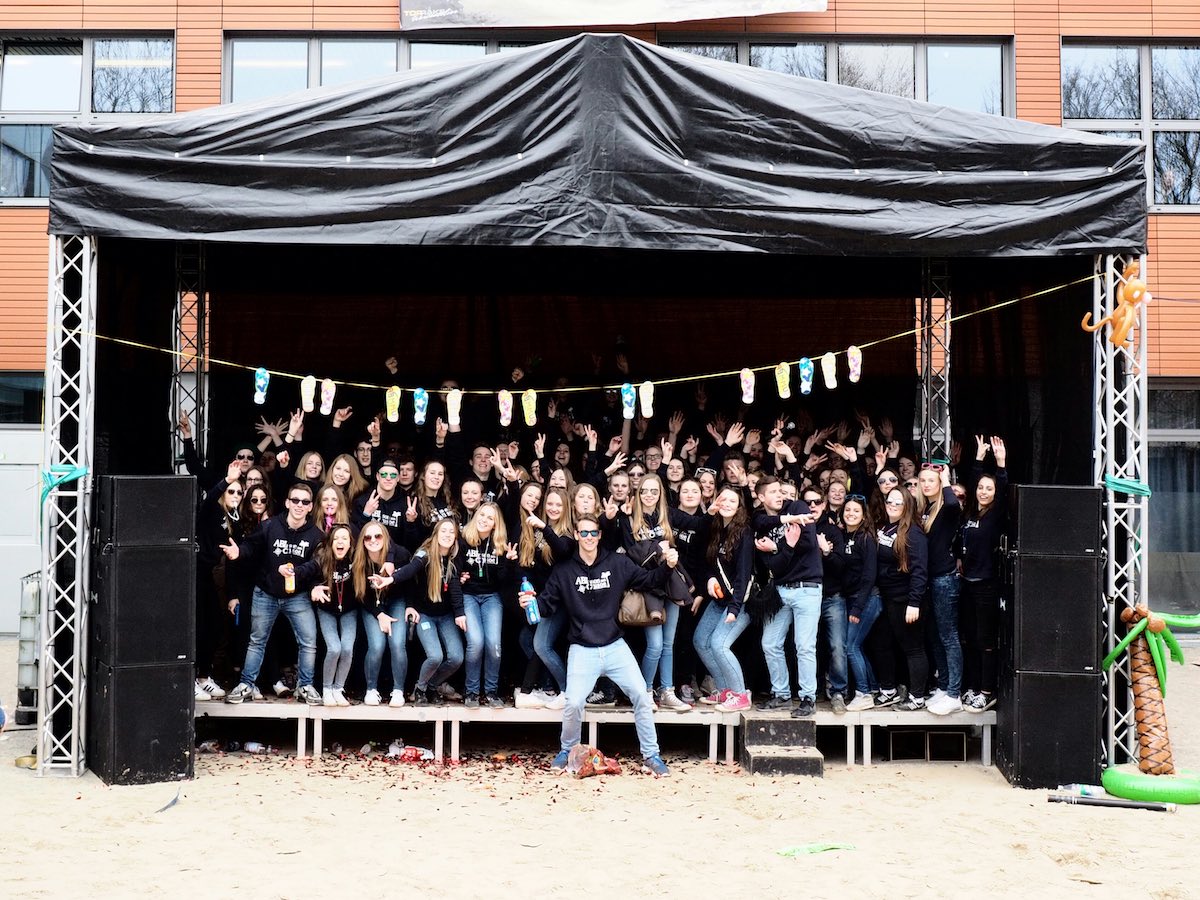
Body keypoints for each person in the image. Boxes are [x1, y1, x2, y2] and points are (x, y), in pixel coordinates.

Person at [529, 514, 679, 777]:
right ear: (576, 535)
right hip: (582, 648)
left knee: (642, 696)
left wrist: (667, 566)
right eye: (583, 533)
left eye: (593, 533)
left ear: (599, 535)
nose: (588, 538)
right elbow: (545, 605)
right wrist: (528, 603)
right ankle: (567, 750)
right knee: (574, 703)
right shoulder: (564, 570)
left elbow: (649, 580)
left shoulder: (617, 563)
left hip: (614, 645)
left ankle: (651, 756)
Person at [221, 482, 325, 705]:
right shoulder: (270, 525)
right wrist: (238, 552)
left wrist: (294, 572)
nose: (299, 505)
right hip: (266, 593)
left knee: (309, 642)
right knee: (257, 641)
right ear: (287, 502)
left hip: (297, 596)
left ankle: (305, 686)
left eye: (304, 502)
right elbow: (251, 547)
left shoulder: (316, 534)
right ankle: (246, 684)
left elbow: (318, 564)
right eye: (295, 500)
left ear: (310, 507)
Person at [755, 476, 822, 718]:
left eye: (781, 490)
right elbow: (775, 566)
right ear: (761, 497)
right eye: (773, 491)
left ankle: (808, 698)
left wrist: (777, 546)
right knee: (770, 643)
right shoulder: (762, 522)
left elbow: (808, 542)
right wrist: (786, 546)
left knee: (804, 646)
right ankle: (781, 694)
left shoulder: (798, 508)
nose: (780, 495)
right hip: (781, 589)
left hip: (808, 587)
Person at [695, 486, 755, 712]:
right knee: (701, 640)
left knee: (719, 645)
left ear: (739, 506)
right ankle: (725, 690)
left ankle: (740, 694)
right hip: (720, 598)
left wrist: (735, 608)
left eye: (732, 501)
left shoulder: (744, 532)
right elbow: (706, 559)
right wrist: (710, 578)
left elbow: (744, 575)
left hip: (740, 601)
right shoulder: (717, 527)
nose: (727, 504)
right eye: (723, 499)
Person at [959, 436, 1008, 713]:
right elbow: (972, 478)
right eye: (980, 487)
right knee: (970, 638)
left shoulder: (995, 514)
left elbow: (1001, 489)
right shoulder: (970, 512)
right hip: (967, 583)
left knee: (986, 640)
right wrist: (977, 458)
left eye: (988, 489)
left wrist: (1000, 463)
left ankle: (987, 691)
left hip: (986, 586)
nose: (983, 491)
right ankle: (974, 687)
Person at [872, 487, 929, 710]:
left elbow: (920, 570)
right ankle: (888, 690)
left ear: (907, 506)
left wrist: (914, 603)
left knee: (913, 648)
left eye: (898, 503)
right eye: (890, 501)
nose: (893, 505)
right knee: (881, 643)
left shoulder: (914, 532)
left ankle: (917, 697)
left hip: (906, 600)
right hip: (886, 598)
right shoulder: (886, 527)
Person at [457, 501, 516, 708]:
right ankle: (472, 692)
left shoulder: (500, 544)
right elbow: (454, 570)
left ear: (495, 524)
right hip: (469, 596)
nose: (484, 520)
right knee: (476, 642)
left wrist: (508, 562)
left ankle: (491, 691)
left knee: (493, 644)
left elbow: (502, 580)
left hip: (492, 597)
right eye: (482, 515)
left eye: (490, 518)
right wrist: (460, 578)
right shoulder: (463, 540)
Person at [402, 519, 467, 706]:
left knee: (456, 657)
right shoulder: (425, 554)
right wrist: (392, 579)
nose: (447, 535)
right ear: (436, 534)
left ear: (455, 537)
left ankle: (432, 686)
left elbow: (454, 587)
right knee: (435, 656)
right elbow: (410, 572)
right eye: (443, 531)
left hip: (445, 615)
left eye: (451, 532)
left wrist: (460, 613)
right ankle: (419, 688)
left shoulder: (454, 558)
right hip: (425, 614)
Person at [919, 461, 963, 715]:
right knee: (936, 636)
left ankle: (954, 693)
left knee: (949, 636)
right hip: (931, 579)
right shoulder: (927, 508)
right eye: (923, 480)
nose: (926, 485)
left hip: (945, 578)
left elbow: (954, 503)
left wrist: (945, 479)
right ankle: (944, 687)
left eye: (930, 481)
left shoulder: (947, 507)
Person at [304, 524, 359, 707]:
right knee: (334, 648)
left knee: (347, 649)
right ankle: (327, 689)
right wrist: (312, 587)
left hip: (349, 611)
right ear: (330, 543)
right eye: (336, 539)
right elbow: (309, 574)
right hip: (326, 609)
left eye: (344, 538)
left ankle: (338, 688)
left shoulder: (356, 560)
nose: (340, 542)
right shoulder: (322, 559)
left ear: (351, 543)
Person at [840, 494, 881, 711]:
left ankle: (863, 693)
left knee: (851, 646)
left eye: (856, 511)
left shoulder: (866, 538)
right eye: (848, 510)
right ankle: (873, 688)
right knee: (857, 645)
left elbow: (869, 575)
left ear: (864, 515)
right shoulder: (844, 535)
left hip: (866, 599)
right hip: (852, 597)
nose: (851, 514)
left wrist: (857, 607)